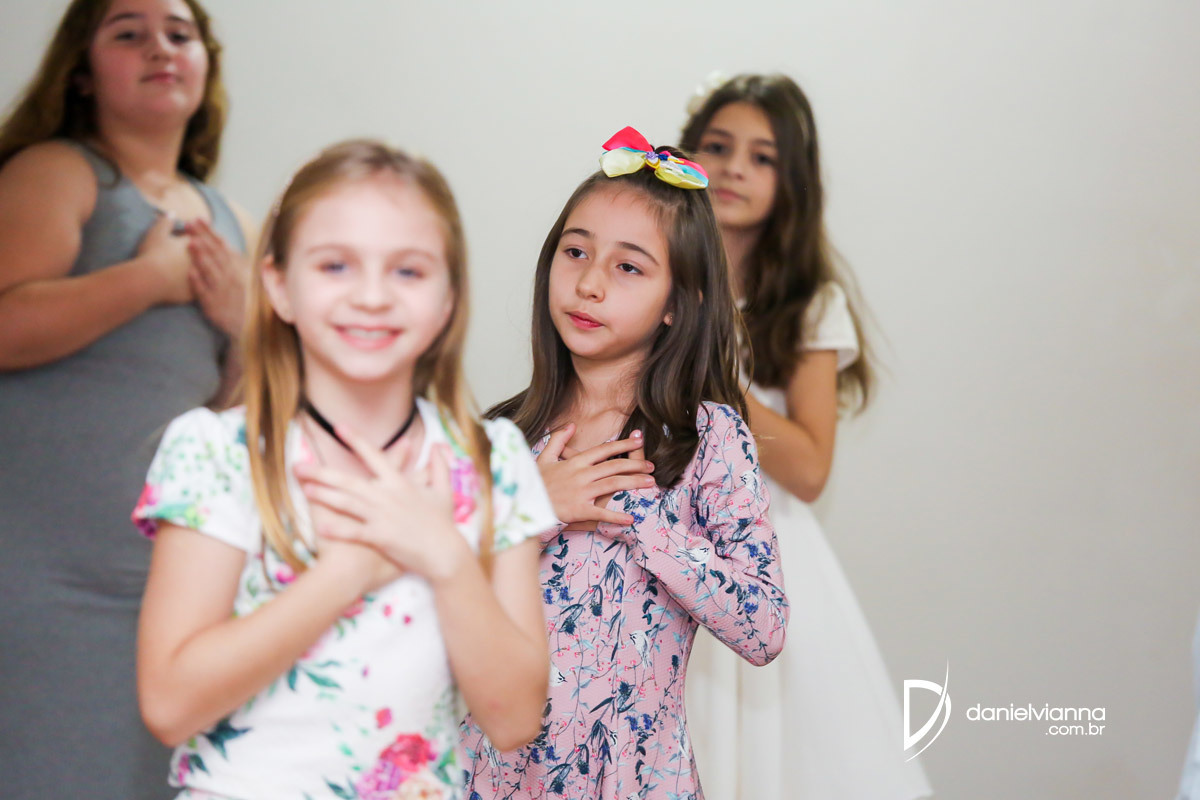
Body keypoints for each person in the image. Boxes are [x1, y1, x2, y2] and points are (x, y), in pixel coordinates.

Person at [131, 139, 558, 799]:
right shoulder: (217, 453)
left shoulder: (491, 462)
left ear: (448, 297)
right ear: (278, 285)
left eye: (408, 271)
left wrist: (444, 555)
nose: (372, 296)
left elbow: (515, 720)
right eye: (335, 265)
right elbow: (169, 704)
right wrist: (351, 569)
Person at [462, 127, 788, 799]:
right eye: (575, 252)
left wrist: (643, 522)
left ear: (679, 303)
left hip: (636, 781)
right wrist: (530, 510)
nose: (588, 283)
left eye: (628, 267)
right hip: (491, 777)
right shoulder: (499, 438)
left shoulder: (708, 438)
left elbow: (764, 626)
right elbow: (433, 606)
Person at [0, 1, 250, 796]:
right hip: (36, 578)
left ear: (206, 64)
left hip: (169, 585)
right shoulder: (59, 172)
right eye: (128, 33)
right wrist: (149, 279)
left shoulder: (231, 223)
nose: (160, 48)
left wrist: (246, 329)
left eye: (180, 33)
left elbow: (235, 416)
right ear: (80, 72)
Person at [681, 73, 934, 799]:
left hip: (763, 552)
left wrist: (713, 378)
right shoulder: (655, 274)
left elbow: (811, 469)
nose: (734, 168)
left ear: (791, 181)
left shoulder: (809, 304)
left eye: (762, 157)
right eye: (718, 146)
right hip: (665, 546)